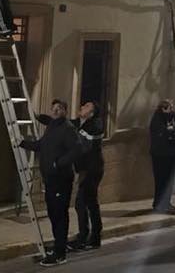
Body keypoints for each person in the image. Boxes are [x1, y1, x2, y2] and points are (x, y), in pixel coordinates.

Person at [19, 99, 82, 267]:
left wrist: (58, 163)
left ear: (65, 111)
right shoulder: (52, 127)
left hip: (61, 179)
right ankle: (58, 246)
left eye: (59, 108)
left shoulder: (68, 129)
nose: (55, 111)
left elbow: (76, 149)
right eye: (53, 108)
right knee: (54, 213)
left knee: (60, 214)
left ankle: (60, 253)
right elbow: (41, 145)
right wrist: (22, 143)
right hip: (50, 179)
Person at [69, 102, 104, 251]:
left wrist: (76, 132)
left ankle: (86, 236)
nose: (82, 106)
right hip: (85, 169)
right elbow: (62, 123)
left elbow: (87, 143)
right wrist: (39, 117)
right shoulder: (79, 123)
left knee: (81, 202)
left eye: (87, 106)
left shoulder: (96, 125)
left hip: (92, 170)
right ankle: (93, 236)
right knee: (89, 202)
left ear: (91, 113)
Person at [149, 100, 175, 212]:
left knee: (169, 180)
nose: (171, 109)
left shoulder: (173, 116)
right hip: (160, 155)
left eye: (172, 107)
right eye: (169, 108)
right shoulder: (157, 118)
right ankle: (158, 204)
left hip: (172, 153)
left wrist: (172, 124)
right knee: (161, 180)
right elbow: (159, 133)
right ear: (162, 108)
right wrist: (169, 130)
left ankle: (166, 203)